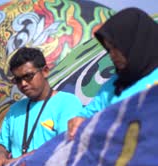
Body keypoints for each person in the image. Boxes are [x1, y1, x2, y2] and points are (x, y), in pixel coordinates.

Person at [0, 47, 82, 166]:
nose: (23, 84)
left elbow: (64, 145)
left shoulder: (68, 103)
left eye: (28, 76)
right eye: (17, 80)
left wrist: (18, 161)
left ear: (45, 71)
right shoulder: (15, 110)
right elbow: (1, 144)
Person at [68, 8, 158, 140]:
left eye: (116, 47)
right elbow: (88, 114)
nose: (111, 55)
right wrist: (78, 121)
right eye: (108, 49)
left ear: (137, 42)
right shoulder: (113, 84)